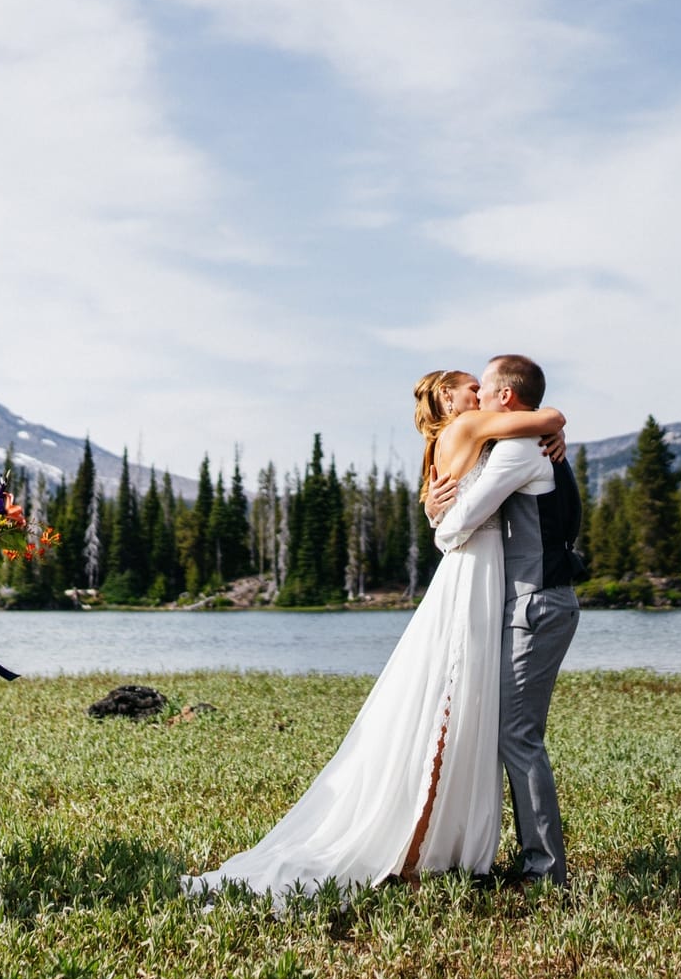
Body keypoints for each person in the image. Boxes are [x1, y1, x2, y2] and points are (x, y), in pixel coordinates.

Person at [182, 370, 564, 904]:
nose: (477, 391)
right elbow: (543, 422)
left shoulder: (451, 438)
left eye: (482, 386)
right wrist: (445, 518)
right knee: (457, 688)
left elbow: (448, 509)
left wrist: (438, 514)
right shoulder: (474, 425)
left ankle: (439, 841)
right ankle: (427, 843)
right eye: (467, 386)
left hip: (477, 571)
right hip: (473, 567)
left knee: (456, 694)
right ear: (448, 397)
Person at [426, 354, 583, 888]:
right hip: (538, 601)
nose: (481, 402)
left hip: (535, 604)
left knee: (517, 736)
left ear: (506, 399)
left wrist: (437, 522)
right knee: (515, 733)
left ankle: (544, 871)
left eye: (485, 391)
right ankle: (528, 860)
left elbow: (462, 524)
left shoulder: (519, 449)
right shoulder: (535, 443)